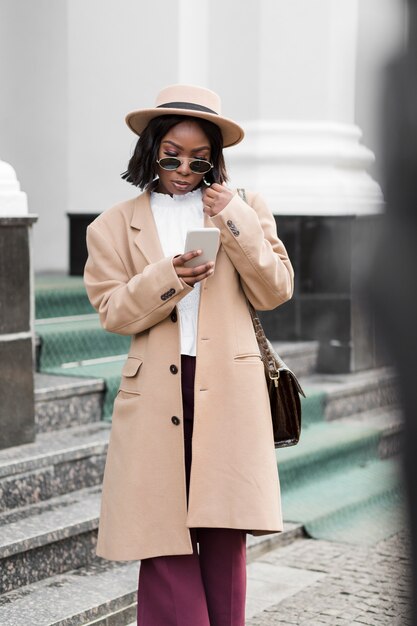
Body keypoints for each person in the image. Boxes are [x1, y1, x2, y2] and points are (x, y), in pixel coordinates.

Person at [84, 84, 294, 626]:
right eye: (171, 154)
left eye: (199, 159)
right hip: (156, 390)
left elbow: (276, 290)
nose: (183, 168)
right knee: (162, 537)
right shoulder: (111, 225)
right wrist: (167, 278)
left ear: (215, 160)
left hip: (229, 386)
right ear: (150, 149)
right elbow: (113, 312)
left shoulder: (246, 208)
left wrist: (235, 219)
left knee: (225, 538)